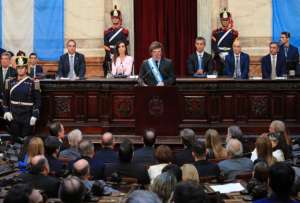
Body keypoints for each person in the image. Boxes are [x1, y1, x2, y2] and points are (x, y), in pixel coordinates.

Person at [3, 56, 41, 142]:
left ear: (26, 69)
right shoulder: (9, 82)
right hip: (14, 116)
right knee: (14, 140)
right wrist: (6, 111)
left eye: (22, 67)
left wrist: (35, 115)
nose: (20, 70)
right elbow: (5, 98)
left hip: (27, 116)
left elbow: (38, 101)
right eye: (18, 67)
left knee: (25, 141)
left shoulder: (34, 82)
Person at [103, 5, 129, 77]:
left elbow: (126, 44)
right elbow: (105, 45)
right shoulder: (107, 32)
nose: (115, 19)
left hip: (121, 56)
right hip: (109, 56)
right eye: (113, 18)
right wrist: (111, 53)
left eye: (116, 18)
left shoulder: (124, 31)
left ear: (119, 19)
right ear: (111, 19)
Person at [212, 9, 239, 75]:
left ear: (229, 20)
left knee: (229, 75)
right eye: (223, 20)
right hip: (218, 58)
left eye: (226, 20)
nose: (225, 22)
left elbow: (235, 46)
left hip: (230, 56)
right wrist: (220, 54)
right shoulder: (215, 32)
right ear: (221, 20)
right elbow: (213, 45)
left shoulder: (234, 33)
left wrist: (228, 55)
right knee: (219, 75)